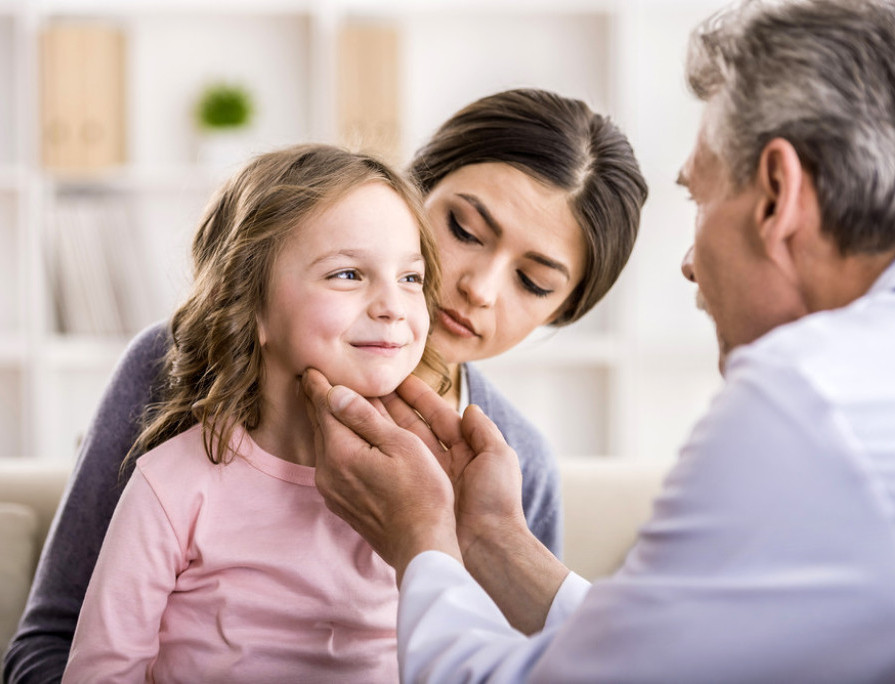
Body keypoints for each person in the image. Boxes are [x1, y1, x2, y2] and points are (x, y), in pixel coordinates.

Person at [299, 0, 895, 681]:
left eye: (700, 199)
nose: (688, 262)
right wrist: (490, 539)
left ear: (777, 196)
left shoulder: (805, 398)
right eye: (466, 230)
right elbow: (671, 655)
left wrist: (423, 538)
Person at [4, 88, 647, 682]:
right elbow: (50, 646)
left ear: (562, 311)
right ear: (413, 192)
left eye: (534, 282)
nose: (480, 287)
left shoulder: (511, 464)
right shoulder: (178, 366)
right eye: (464, 230)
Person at [61, 143, 447, 681]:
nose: (393, 306)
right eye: (347, 274)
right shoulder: (173, 484)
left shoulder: (428, 483)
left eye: (410, 278)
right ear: (251, 305)